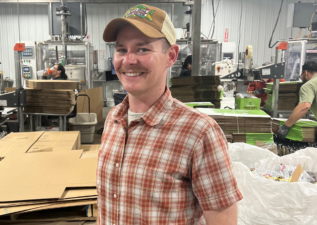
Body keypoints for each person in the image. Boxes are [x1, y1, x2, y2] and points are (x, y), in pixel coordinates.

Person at [98, 4, 242, 225]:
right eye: (121, 49)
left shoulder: (199, 132)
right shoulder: (114, 119)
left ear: (171, 56)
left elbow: (222, 220)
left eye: (142, 49)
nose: (128, 60)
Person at [277, 61, 317, 139]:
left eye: (301, 75)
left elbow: (305, 106)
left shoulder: (309, 85)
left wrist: (285, 126)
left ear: (305, 73)